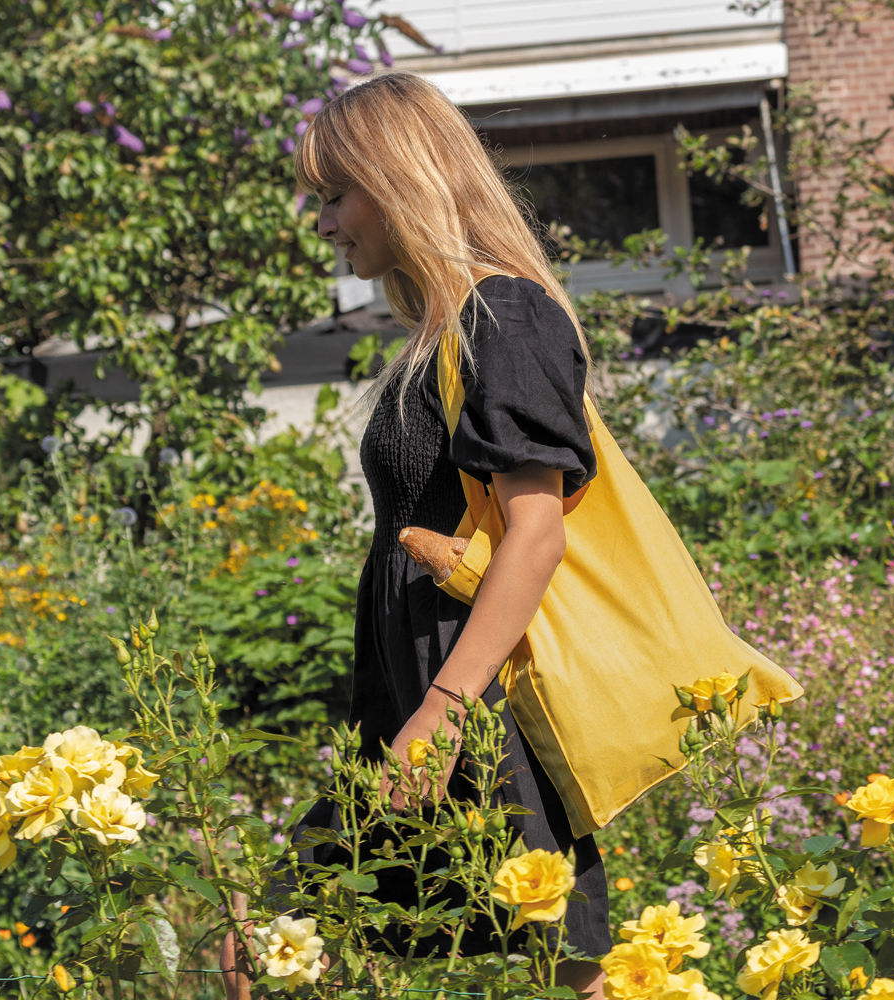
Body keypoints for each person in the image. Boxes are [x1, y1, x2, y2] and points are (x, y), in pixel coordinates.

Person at [223, 71, 610, 999]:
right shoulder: (447, 331)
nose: (323, 222)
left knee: (567, 962)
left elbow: (535, 535)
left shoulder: (506, 318)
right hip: (423, 707)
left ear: (399, 179)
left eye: (335, 194)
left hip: (473, 708)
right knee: (272, 944)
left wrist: (439, 718)